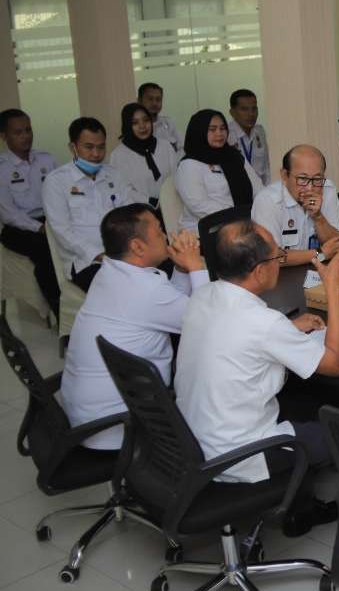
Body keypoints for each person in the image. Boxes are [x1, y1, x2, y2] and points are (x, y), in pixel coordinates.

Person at [174, 220, 339, 533]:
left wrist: (288, 330)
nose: (280, 260)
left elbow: (232, 334)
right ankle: (307, 509)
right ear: (259, 271)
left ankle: (300, 492)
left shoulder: (203, 295)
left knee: (303, 400)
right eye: (278, 256)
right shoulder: (263, 323)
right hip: (240, 455)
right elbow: (336, 364)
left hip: (194, 439)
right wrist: (334, 288)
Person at [60, 204, 207, 450]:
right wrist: (196, 267)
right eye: (160, 231)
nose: (167, 235)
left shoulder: (110, 273)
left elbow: (170, 304)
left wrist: (181, 269)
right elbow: (210, 322)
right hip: (119, 427)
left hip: (89, 417)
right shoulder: (146, 291)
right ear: (137, 246)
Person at [42, 118, 144, 292]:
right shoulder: (56, 181)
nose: (96, 154)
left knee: (163, 270)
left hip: (123, 254)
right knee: (124, 288)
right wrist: (98, 255)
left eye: (101, 147)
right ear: (72, 147)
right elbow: (62, 231)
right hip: (86, 262)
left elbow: (130, 216)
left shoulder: (114, 175)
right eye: (89, 147)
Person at [0, 109, 60, 315]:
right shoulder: (2, 169)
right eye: (18, 132)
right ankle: (61, 314)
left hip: (49, 219)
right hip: (18, 227)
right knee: (46, 252)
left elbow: (59, 195)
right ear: (3, 136)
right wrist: (39, 228)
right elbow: (8, 214)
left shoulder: (46, 159)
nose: (25, 136)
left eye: (28, 130)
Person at [252, 144, 339, 266]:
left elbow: (338, 244)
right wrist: (320, 253)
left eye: (317, 179)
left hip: (317, 271)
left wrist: (318, 217)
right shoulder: (267, 201)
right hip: (279, 277)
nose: (310, 188)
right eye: (302, 178)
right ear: (284, 175)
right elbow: (271, 258)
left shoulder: (327, 190)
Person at [174, 109, 263, 231]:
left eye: (222, 128)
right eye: (212, 129)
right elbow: (199, 205)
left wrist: (263, 210)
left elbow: (258, 188)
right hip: (206, 230)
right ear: (199, 132)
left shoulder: (235, 157)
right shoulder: (189, 165)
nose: (219, 133)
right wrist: (236, 215)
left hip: (243, 223)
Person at [108, 102, 178, 207]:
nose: (142, 126)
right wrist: (150, 201)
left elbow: (175, 177)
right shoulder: (118, 155)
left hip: (171, 208)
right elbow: (123, 190)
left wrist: (168, 200)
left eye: (146, 120)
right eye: (135, 123)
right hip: (140, 212)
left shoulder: (165, 146)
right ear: (127, 125)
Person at [227, 89, 271, 185]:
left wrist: (268, 191)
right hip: (239, 190)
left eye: (254, 109)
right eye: (244, 109)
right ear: (232, 112)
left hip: (260, 191)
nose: (251, 114)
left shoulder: (259, 131)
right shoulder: (226, 134)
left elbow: (266, 167)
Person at [137, 82, 182, 153]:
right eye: (150, 99)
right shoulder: (136, 128)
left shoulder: (169, 123)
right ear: (139, 101)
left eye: (158, 99)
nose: (155, 103)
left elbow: (180, 149)